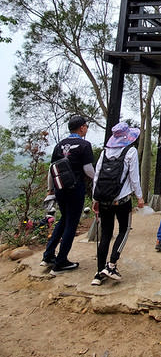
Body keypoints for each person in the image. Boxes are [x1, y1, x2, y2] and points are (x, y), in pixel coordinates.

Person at [91, 122, 144, 286]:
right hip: (122, 200)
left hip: (104, 199)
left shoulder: (105, 152)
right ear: (128, 136)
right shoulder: (131, 151)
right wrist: (140, 197)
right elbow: (134, 178)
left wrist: (95, 199)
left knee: (106, 234)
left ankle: (99, 274)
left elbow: (97, 175)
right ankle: (112, 265)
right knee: (124, 230)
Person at [41, 115, 95, 273]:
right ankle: (61, 261)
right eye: (86, 126)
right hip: (75, 188)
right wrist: (99, 179)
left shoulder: (59, 145)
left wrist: (50, 190)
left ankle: (48, 255)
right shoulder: (84, 145)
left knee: (64, 220)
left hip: (60, 189)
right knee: (71, 223)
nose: (86, 129)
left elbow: (52, 170)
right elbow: (88, 169)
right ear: (82, 128)